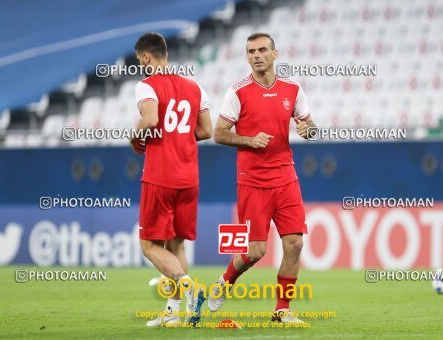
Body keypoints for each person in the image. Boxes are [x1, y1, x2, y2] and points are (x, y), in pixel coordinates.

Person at [208, 32, 316, 323]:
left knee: (294, 243)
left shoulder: (292, 88)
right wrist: (248, 140)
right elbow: (218, 134)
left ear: (275, 54)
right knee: (255, 252)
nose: (256, 55)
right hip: (253, 180)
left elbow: (308, 122)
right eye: (250, 51)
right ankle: (224, 282)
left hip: (286, 176)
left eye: (262, 50)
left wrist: (309, 130)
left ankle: (282, 311)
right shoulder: (238, 91)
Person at [130, 32, 212, 327]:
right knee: (176, 246)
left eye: (140, 60)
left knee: (150, 246)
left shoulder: (147, 85)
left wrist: (134, 136)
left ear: (146, 57)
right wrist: (180, 137)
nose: (140, 65)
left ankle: (189, 286)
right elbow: (206, 131)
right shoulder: (194, 86)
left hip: (160, 176)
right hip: (189, 178)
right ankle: (173, 314)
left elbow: (150, 120)